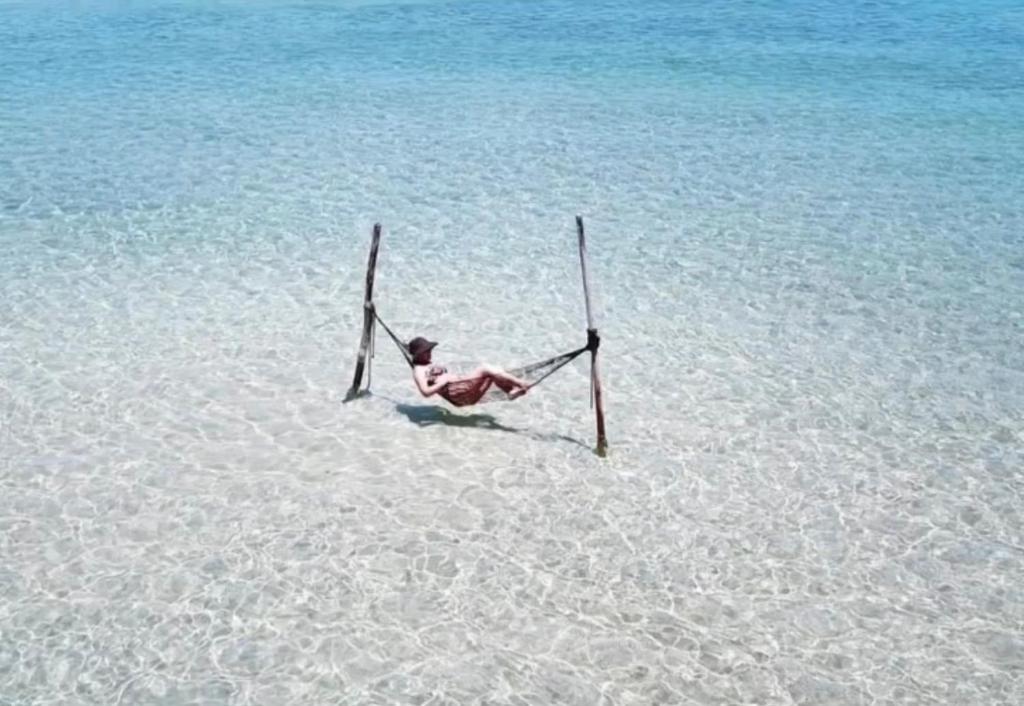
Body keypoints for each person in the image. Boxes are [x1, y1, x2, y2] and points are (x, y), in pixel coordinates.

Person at [407, 336, 530, 407]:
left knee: (494, 372)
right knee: (485, 368)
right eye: (425, 352)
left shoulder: (425, 364)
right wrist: (443, 382)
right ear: (418, 355)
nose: (429, 353)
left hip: (464, 392)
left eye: (429, 350)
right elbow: (425, 392)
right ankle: (521, 383)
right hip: (459, 393)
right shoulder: (418, 370)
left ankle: (511, 391)